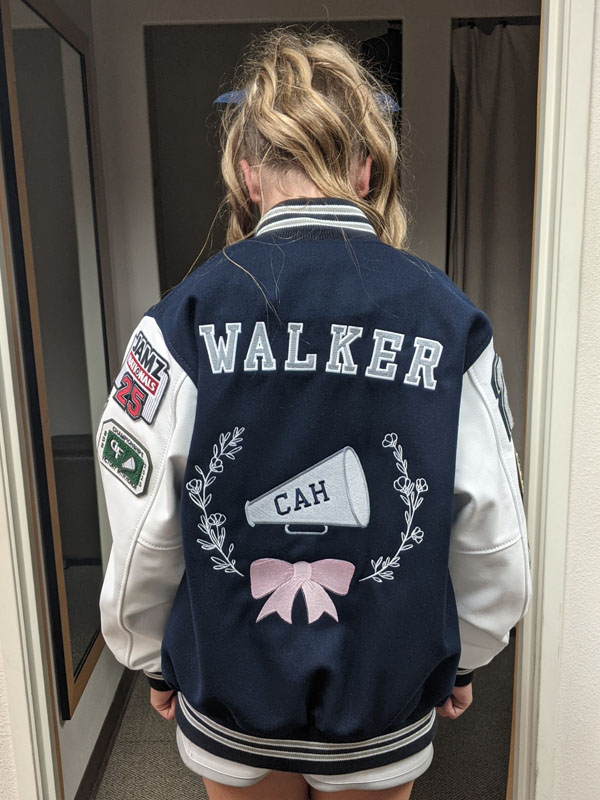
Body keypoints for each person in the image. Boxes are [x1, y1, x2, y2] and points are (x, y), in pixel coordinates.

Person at [97, 26, 532, 800]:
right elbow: (492, 530)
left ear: (246, 172)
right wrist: (467, 650)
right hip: (382, 701)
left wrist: (149, 655)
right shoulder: (450, 320)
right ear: (366, 169)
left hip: (231, 695)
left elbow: (142, 531)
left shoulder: (179, 321)